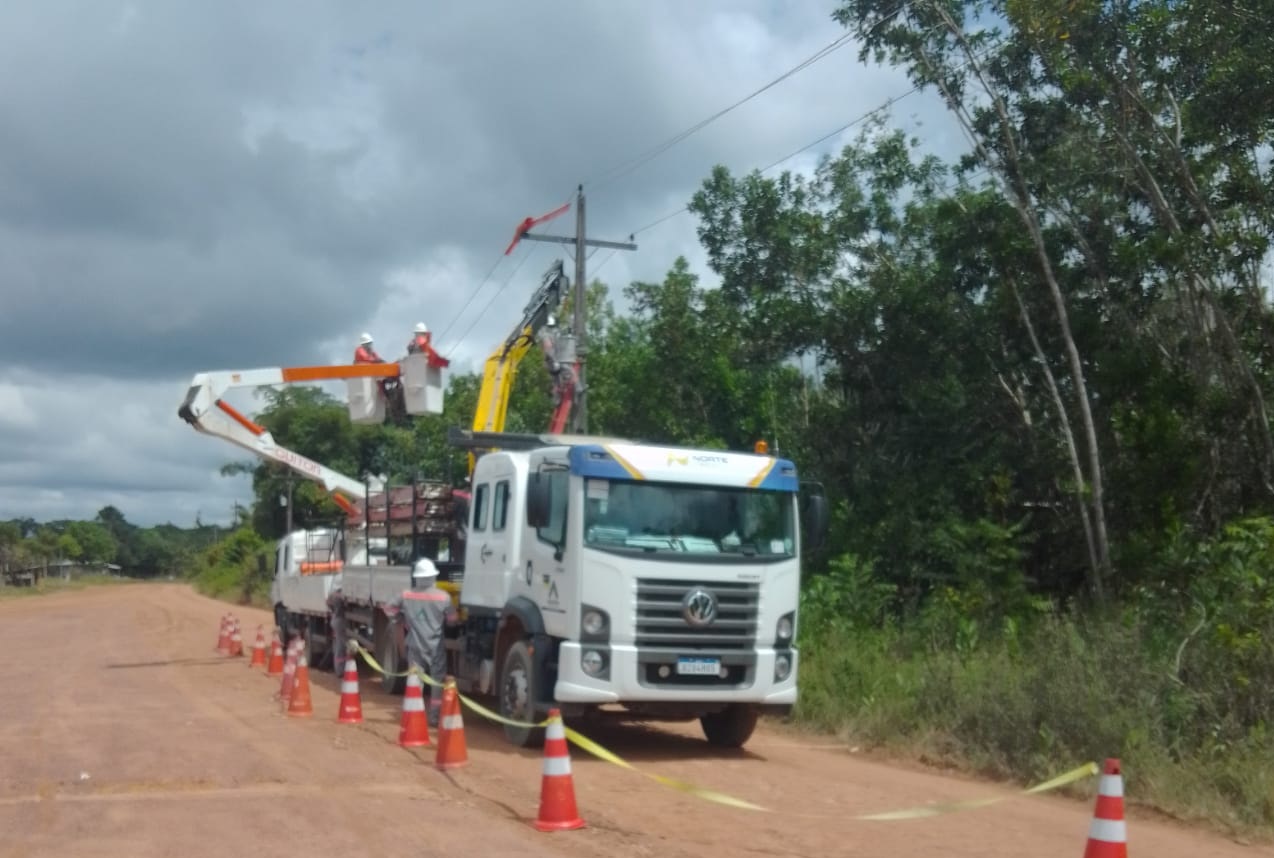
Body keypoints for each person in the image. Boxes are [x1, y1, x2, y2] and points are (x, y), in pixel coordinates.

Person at [383, 558, 457, 725]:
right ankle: (434, 717)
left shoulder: (406, 595)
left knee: (415, 681)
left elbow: (388, 609)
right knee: (437, 682)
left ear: (417, 577)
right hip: (435, 647)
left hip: (415, 645)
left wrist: (401, 619)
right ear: (433, 577)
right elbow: (453, 620)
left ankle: (414, 716)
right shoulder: (443, 597)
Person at [325, 581, 347, 674]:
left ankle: (338, 667)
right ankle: (339, 669)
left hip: (334, 619)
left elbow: (327, 602)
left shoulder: (332, 595)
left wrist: (333, 610)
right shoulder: (340, 596)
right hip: (340, 620)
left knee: (337, 643)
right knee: (341, 646)